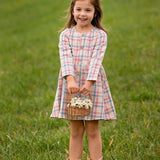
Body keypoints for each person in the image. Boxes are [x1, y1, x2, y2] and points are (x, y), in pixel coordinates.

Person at [50, 0, 116, 159]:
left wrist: (89, 82)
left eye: (88, 10)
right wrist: (70, 80)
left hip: (92, 85)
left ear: (95, 12)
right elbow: (65, 57)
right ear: (72, 11)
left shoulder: (100, 35)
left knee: (93, 129)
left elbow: (96, 60)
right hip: (71, 84)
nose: (82, 14)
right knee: (76, 130)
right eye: (78, 9)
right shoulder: (66, 35)